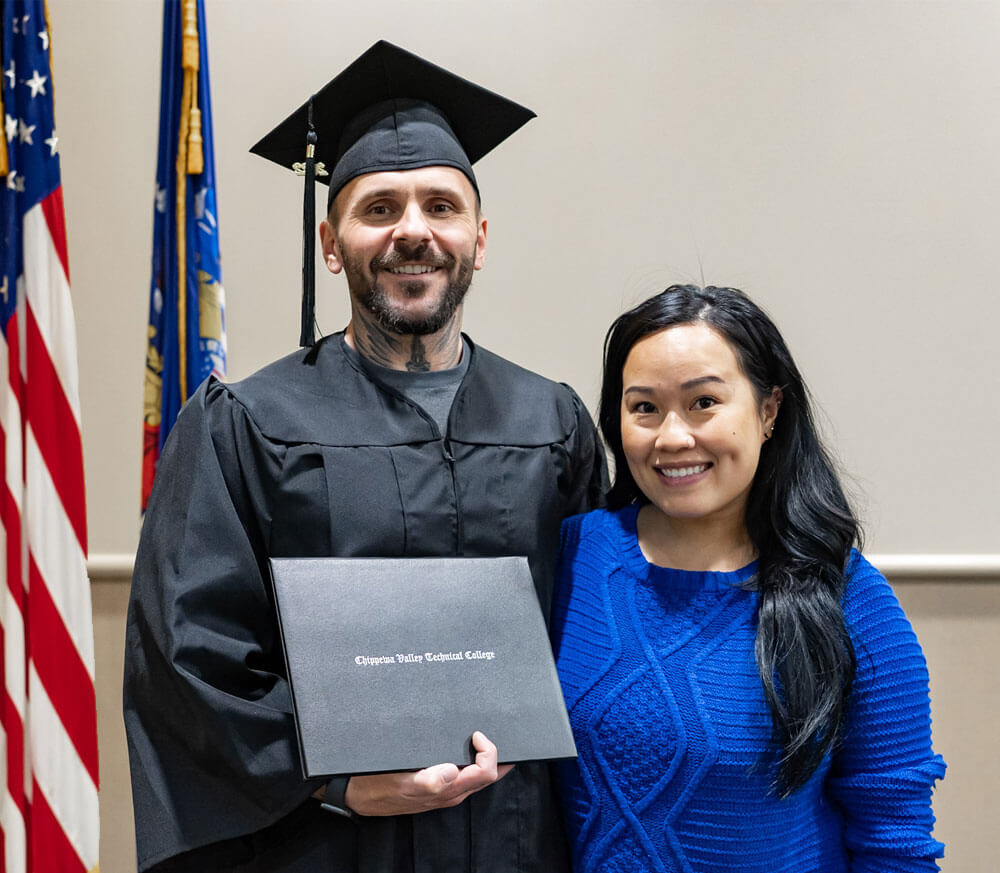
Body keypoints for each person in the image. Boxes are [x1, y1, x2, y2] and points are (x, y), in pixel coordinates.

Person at [124, 41, 605, 873]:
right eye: (379, 207)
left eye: (440, 206)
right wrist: (335, 780)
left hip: (517, 841)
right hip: (325, 845)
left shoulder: (552, 421)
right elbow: (188, 656)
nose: (412, 230)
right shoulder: (243, 422)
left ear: (479, 238)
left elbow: (595, 642)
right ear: (332, 241)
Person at [551, 284, 945, 872]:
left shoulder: (848, 600)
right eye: (644, 408)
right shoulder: (573, 555)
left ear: (768, 411)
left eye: (704, 402)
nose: (672, 437)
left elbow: (895, 841)